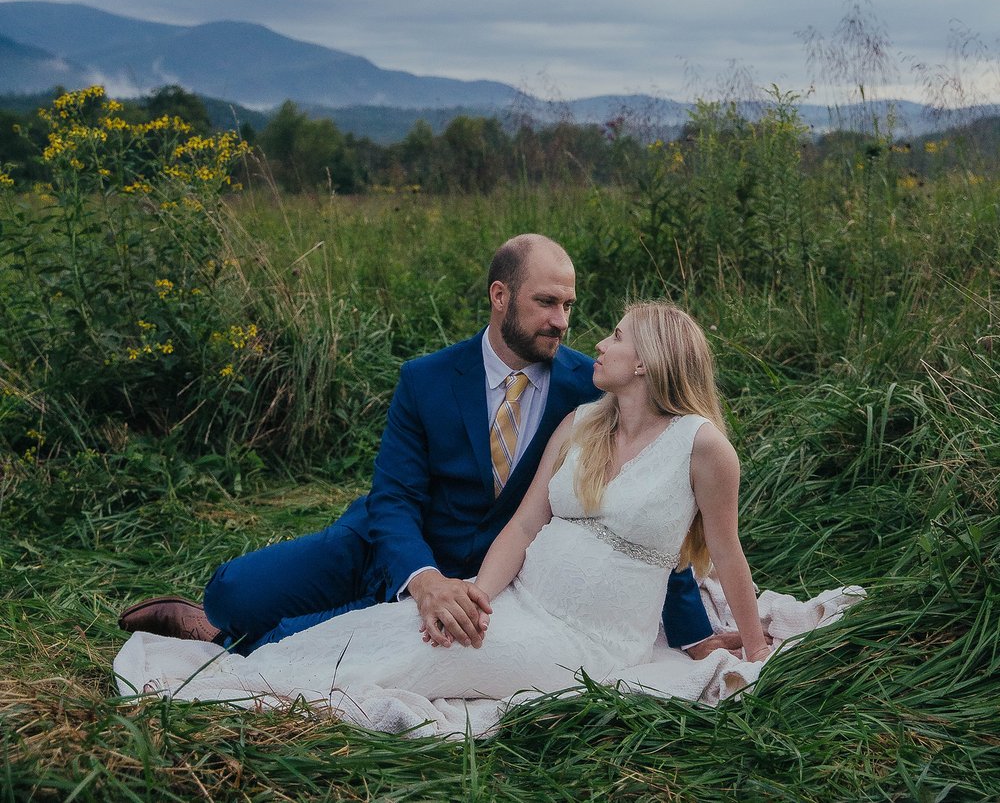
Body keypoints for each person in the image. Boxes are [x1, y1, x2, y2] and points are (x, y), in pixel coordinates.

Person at [119, 235, 718, 657]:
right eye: (546, 303)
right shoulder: (427, 377)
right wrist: (420, 574)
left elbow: (648, 505)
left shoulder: (589, 391)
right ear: (500, 296)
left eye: (569, 305)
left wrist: (693, 634)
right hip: (385, 544)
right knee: (231, 593)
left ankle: (228, 643)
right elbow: (394, 496)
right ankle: (217, 620)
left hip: (477, 580)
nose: (562, 321)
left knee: (298, 640)